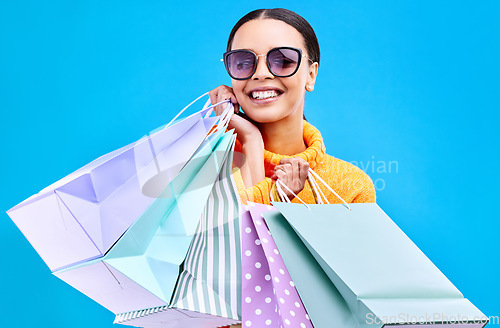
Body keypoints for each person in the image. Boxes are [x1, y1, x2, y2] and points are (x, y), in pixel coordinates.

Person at [209, 8, 375, 206]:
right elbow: (226, 233)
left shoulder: (348, 187)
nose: (261, 73)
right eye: (243, 62)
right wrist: (250, 142)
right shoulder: (204, 163)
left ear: (311, 75)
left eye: (283, 60)